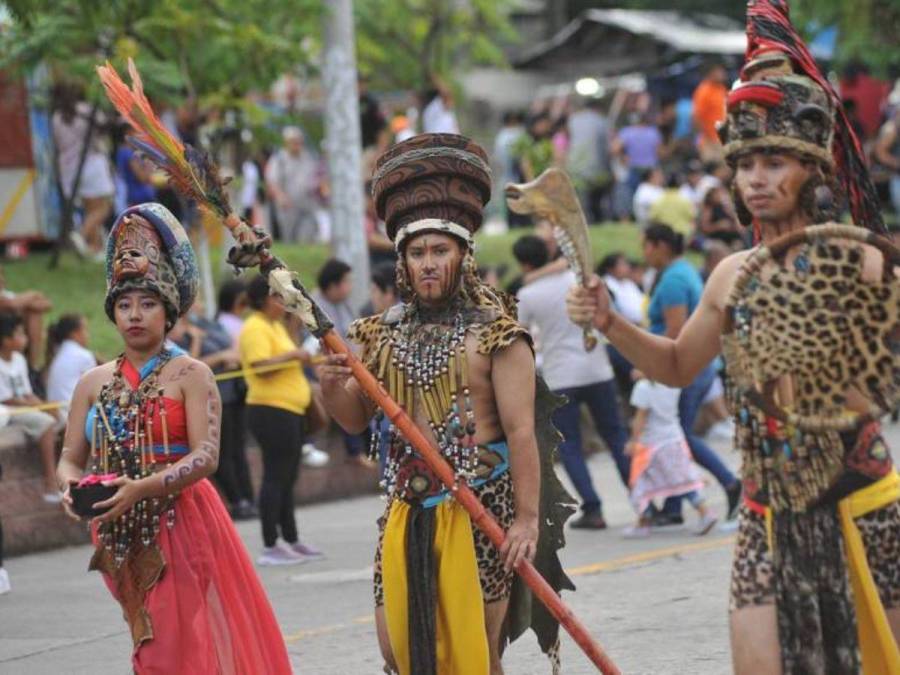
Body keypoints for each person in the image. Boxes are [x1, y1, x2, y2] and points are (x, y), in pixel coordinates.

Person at [567, 6, 899, 670]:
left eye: (775, 161)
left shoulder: (863, 261)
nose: (756, 178)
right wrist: (609, 321)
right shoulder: (729, 275)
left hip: (859, 501)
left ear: (813, 169)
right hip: (765, 513)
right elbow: (675, 365)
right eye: (746, 163)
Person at [320, 134, 572, 674]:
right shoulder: (372, 335)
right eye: (417, 253)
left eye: (439, 251)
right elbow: (351, 419)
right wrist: (330, 385)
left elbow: (522, 433)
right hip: (405, 513)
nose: (428, 263)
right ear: (403, 264)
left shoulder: (499, 338)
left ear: (463, 255)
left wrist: (526, 521)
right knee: (399, 653)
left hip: (483, 513)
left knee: (476, 655)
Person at [54, 203, 291, 673]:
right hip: (116, 531)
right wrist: (69, 486)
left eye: (147, 304)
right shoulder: (92, 382)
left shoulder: (191, 374)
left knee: (168, 646)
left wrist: (143, 487)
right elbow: (68, 457)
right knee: (149, 637)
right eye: (124, 305)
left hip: (182, 521)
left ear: (169, 312)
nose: (134, 315)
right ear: (112, 314)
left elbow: (206, 457)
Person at [514, 235, 629, 529]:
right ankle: (643, 499)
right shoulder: (574, 279)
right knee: (616, 438)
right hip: (597, 367)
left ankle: (593, 508)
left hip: (561, 375)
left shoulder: (528, 294)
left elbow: (520, 336)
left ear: (525, 263)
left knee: (571, 446)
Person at [640, 223, 741, 523]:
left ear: (660, 246)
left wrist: (651, 368)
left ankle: (730, 483)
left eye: (646, 246)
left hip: (686, 368)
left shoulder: (673, 280)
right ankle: (673, 508)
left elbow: (675, 331)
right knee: (673, 437)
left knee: (678, 437)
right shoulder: (682, 271)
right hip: (699, 366)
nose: (643, 253)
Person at [239, 273, 322, 565]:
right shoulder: (255, 327)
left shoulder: (274, 326)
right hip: (270, 409)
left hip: (289, 410)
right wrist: (294, 355)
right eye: (276, 296)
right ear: (263, 299)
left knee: (288, 476)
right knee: (275, 476)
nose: (281, 302)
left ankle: (291, 538)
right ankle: (270, 543)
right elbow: (260, 366)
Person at [624, 376, 717, 538]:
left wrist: (633, 440)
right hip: (674, 439)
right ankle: (704, 511)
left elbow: (641, 417)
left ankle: (644, 521)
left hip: (652, 444)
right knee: (682, 481)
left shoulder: (644, 387)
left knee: (639, 482)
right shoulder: (672, 383)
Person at [0, 314, 62, 501]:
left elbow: (27, 392)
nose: (25, 338)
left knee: (63, 416)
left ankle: (65, 473)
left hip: (24, 405)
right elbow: (8, 399)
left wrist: (44, 405)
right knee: (45, 422)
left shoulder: (19, 359)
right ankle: (50, 484)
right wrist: (37, 407)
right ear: (6, 340)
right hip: (8, 410)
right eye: (19, 334)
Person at [52, 84, 115, 256]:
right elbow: (104, 128)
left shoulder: (57, 117)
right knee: (104, 207)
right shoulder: (86, 110)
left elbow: (58, 144)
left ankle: (96, 248)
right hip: (90, 164)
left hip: (68, 169)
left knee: (91, 209)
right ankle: (81, 235)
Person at [265, 126, 321, 243]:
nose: (297, 144)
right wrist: (280, 197)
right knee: (289, 238)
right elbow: (272, 181)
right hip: (288, 207)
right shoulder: (279, 159)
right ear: (287, 142)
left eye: (299, 141)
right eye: (294, 142)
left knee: (306, 236)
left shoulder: (308, 158)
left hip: (307, 204)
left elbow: (316, 177)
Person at [0, 266, 51, 369]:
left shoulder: (7, 294)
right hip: (5, 334)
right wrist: (34, 294)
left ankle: (32, 366)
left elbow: (47, 304)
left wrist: (27, 303)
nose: (2, 280)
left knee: (34, 314)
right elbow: (12, 304)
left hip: (12, 332)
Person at [45, 314, 96, 417]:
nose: (88, 335)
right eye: (85, 330)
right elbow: (95, 389)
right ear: (74, 334)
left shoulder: (58, 353)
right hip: (73, 411)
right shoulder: (83, 355)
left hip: (57, 411)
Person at [613, 112, 662, 196]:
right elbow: (659, 152)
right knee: (650, 196)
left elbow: (614, 149)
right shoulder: (653, 132)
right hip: (650, 169)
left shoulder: (627, 132)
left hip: (634, 167)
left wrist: (622, 157)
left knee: (632, 195)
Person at [692, 63, 729, 161]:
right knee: (712, 168)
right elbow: (696, 117)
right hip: (709, 140)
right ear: (711, 73)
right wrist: (707, 136)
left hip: (722, 137)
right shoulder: (704, 90)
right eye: (720, 71)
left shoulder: (721, 88)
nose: (723, 74)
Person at [648, 173, 697, 238]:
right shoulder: (685, 201)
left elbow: (652, 217)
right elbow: (692, 217)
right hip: (680, 234)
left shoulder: (658, 199)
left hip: (663, 235)